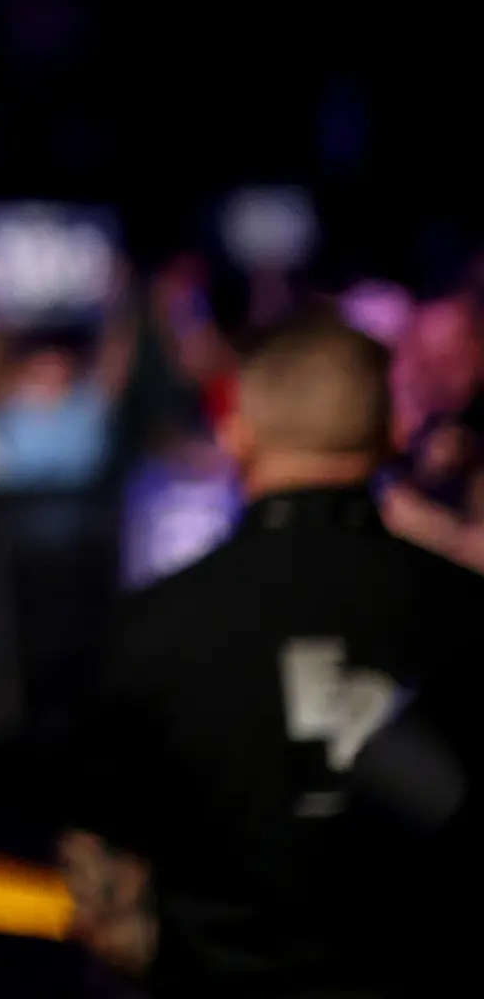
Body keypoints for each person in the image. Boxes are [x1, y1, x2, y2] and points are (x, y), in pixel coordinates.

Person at [57, 311, 484, 995]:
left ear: (237, 433)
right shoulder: (468, 611)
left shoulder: (149, 629)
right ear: (394, 433)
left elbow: (104, 883)